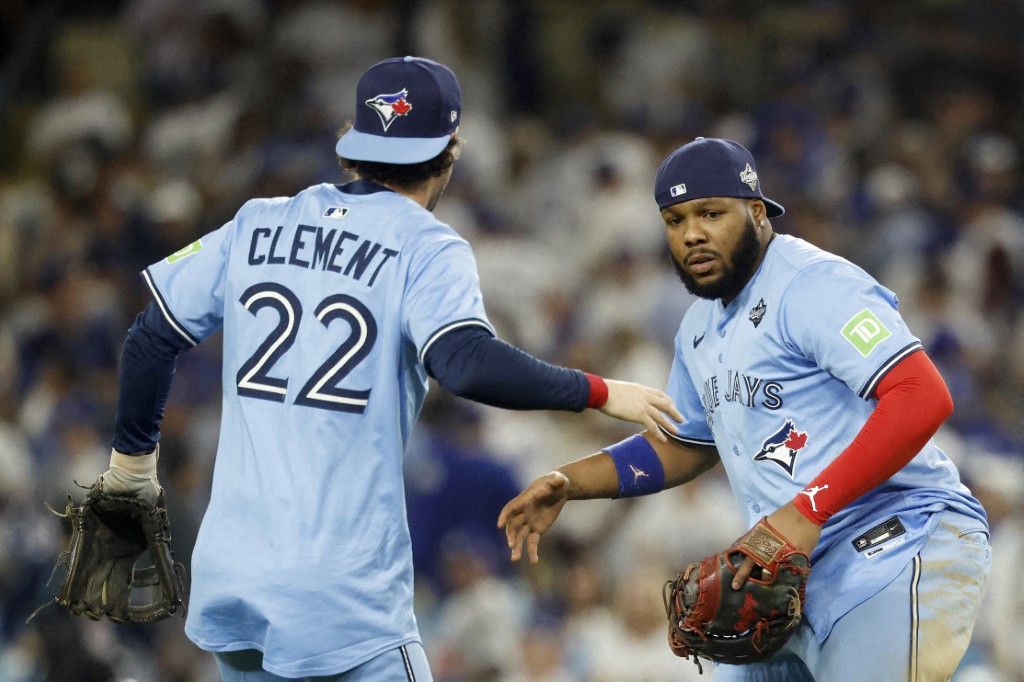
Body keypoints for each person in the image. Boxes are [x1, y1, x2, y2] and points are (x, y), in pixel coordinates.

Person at [90, 56, 683, 682]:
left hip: (232, 581)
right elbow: (465, 364)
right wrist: (597, 391)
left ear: (353, 139)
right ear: (449, 153)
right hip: (339, 595)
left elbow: (149, 339)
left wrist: (131, 473)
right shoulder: (427, 246)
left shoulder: (256, 221)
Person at [498, 137, 992, 681]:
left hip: (897, 536)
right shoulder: (698, 326)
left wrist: (808, 510)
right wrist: (570, 482)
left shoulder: (812, 284)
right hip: (786, 567)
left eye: (711, 213)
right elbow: (683, 444)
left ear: (757, 212)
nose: (692, 233)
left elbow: (921, 394)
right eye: (675, 219)